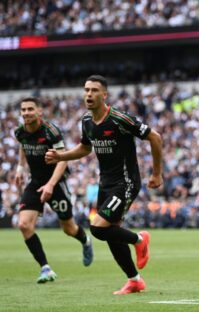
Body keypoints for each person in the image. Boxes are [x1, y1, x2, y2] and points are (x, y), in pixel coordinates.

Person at [45, 75, 163, 295]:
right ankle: (135, 280)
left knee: (98, 228)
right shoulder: (87, 121)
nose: (89, 94)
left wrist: (156, 173)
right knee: (110, 232)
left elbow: (155, 137)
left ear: (104, 95)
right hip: (105, 183)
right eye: (86, 90)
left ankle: (139, 239)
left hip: (126, 182)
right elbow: (85, 148)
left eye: (94, 90)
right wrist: (61, 156)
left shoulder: (119, 118)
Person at [14, 97, 93, 283]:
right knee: (24, 225)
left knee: (68, 228)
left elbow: (63, 158)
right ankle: (45, 268)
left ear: (39, 112)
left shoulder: (51, 131)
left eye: (30, 109)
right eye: (23, 109)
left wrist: (50, 184)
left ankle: (85, 240)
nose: (26, 113)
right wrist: (19, 167)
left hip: (57, 183)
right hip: (35, 183)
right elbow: (22, 146)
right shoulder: (20, 131)